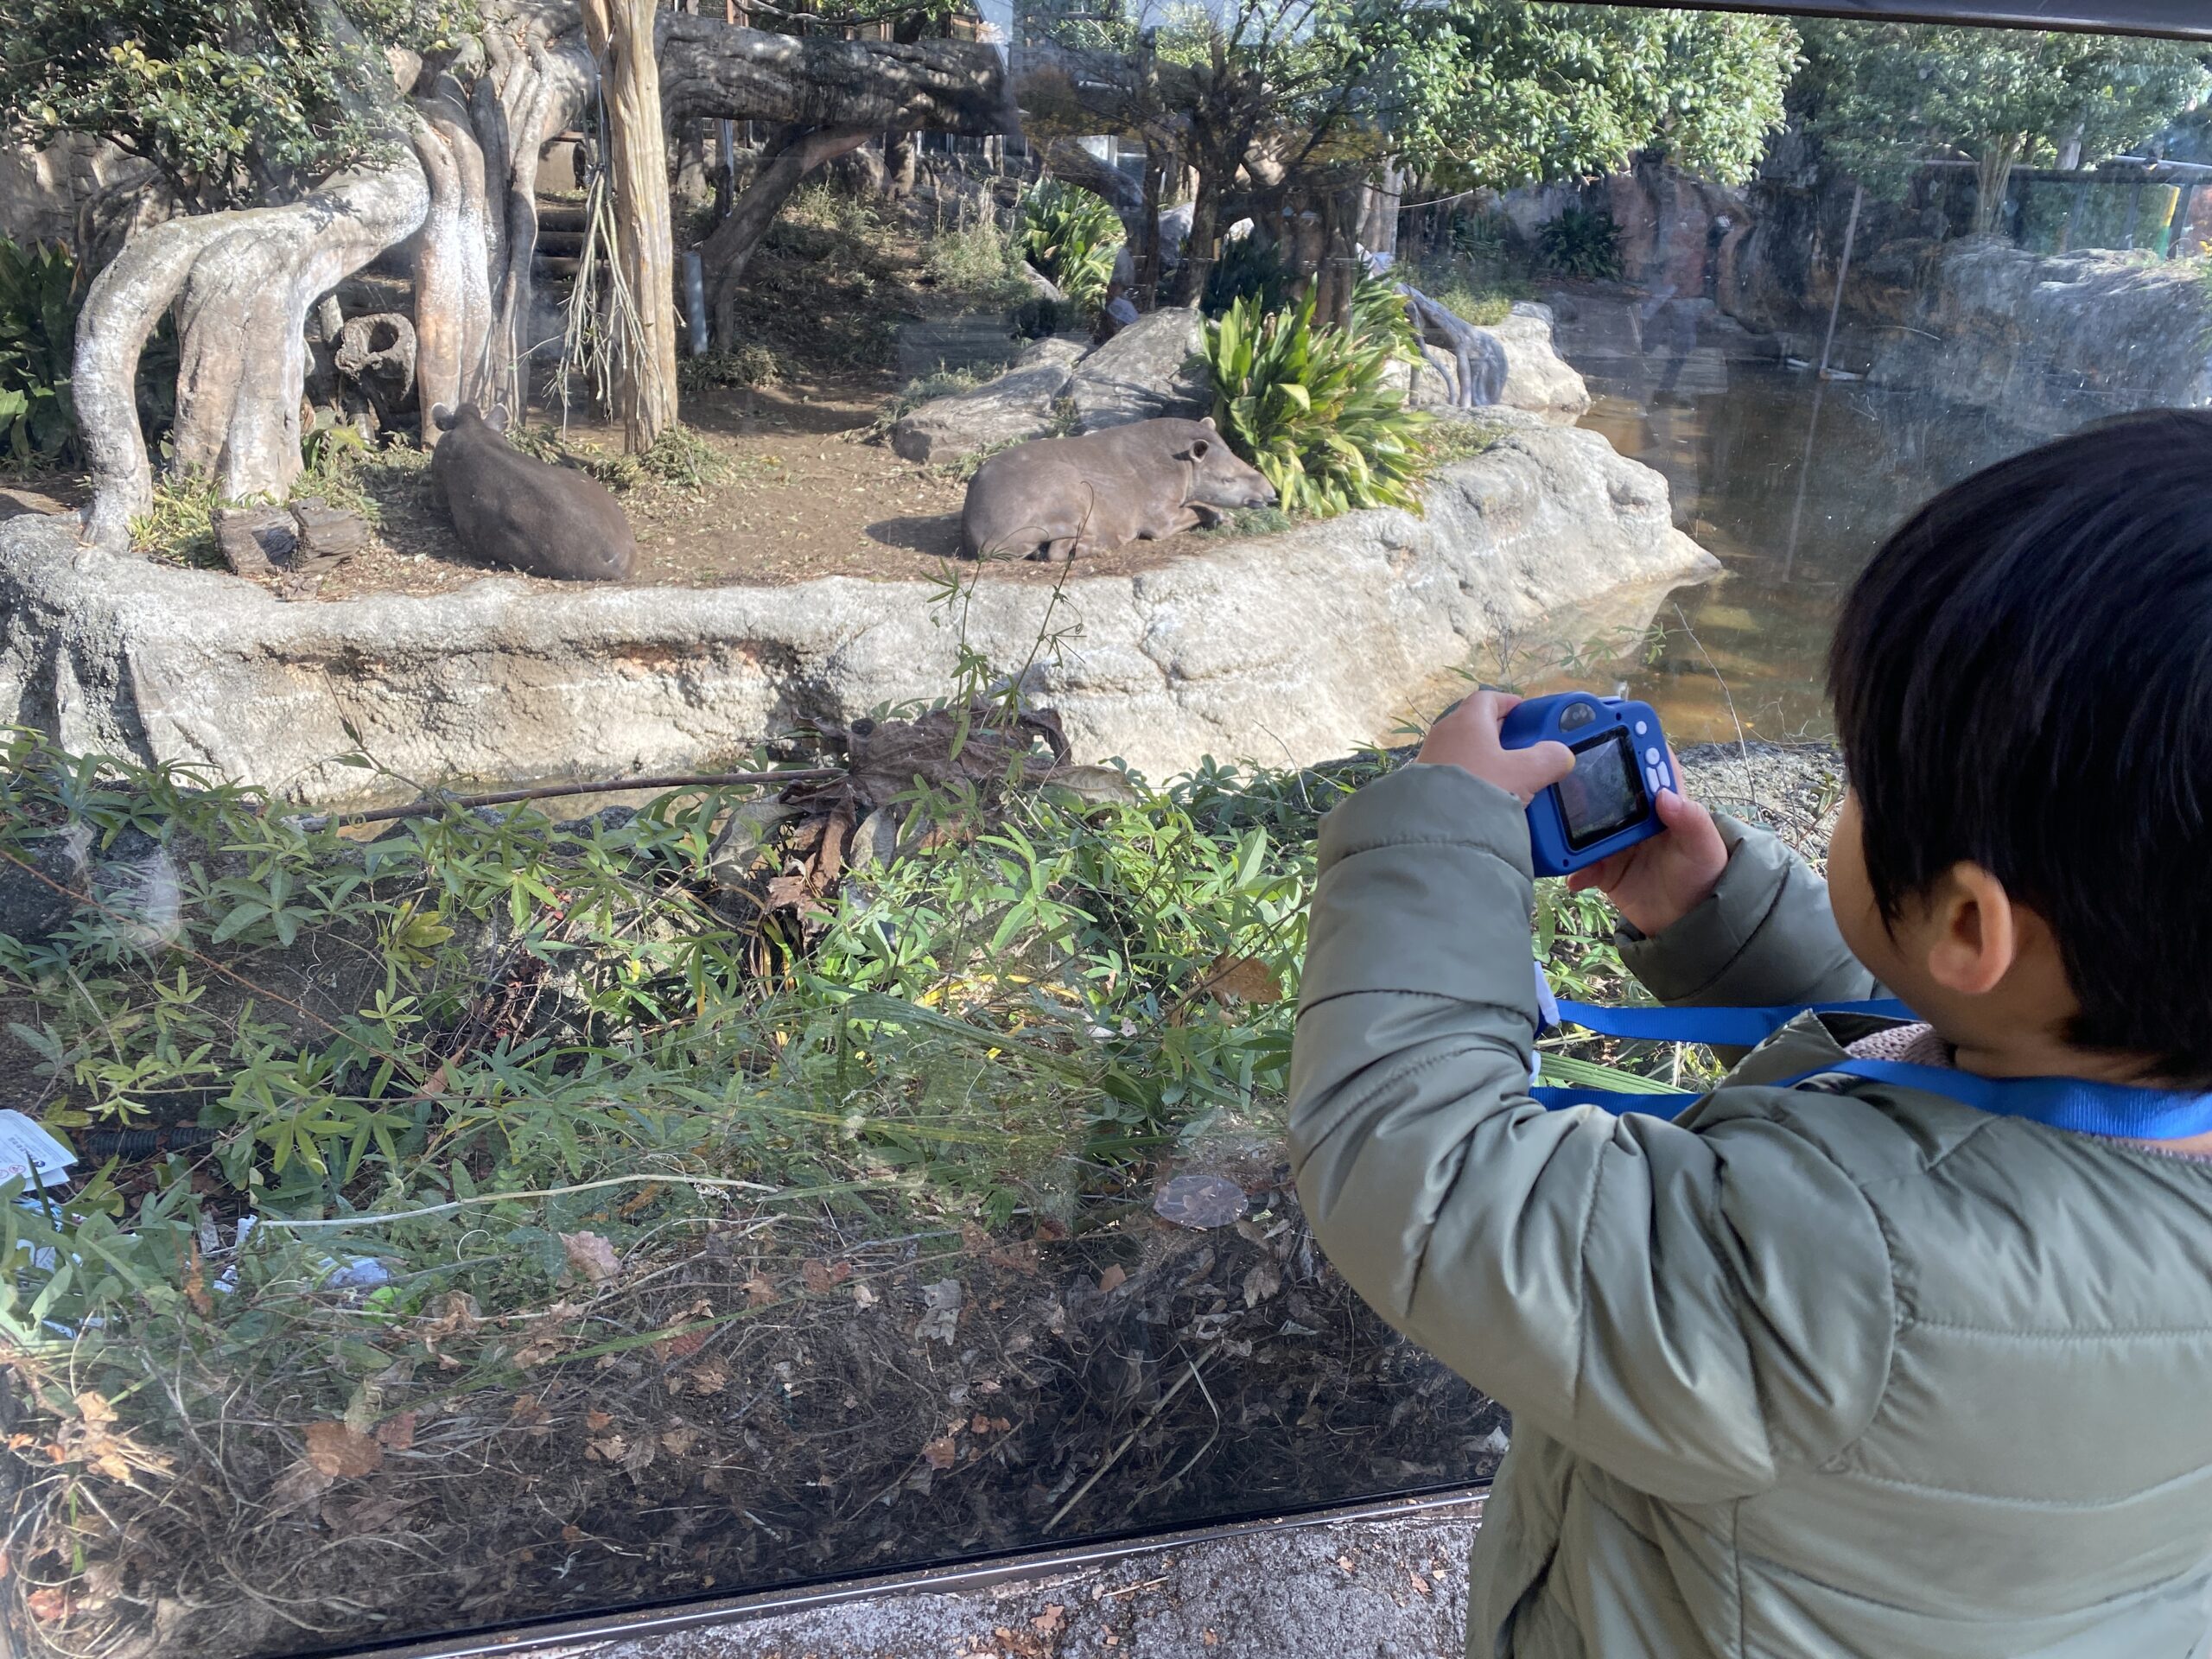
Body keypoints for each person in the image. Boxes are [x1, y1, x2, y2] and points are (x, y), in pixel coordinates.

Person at [1287, 409, 2212, 1659]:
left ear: (1968, 925)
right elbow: (1963, 1073)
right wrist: (1720, 921)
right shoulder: (2128, 1077)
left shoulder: (1851, 1280)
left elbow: (1427, 1172)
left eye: (1862, 782)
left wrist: (1443, 838)